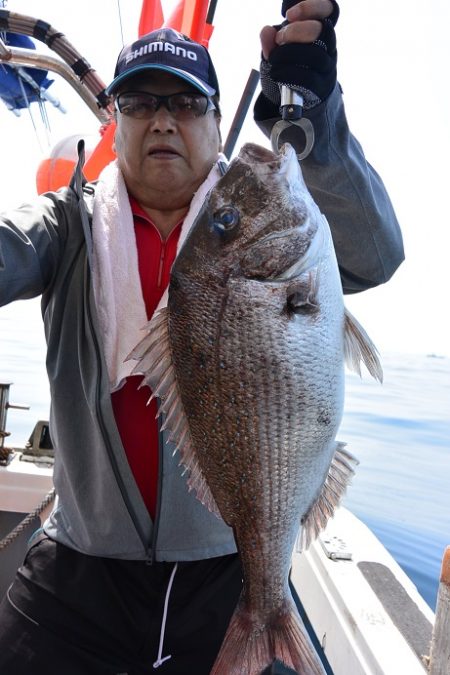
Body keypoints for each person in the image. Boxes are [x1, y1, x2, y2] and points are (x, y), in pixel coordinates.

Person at [0, 2, 404, 674]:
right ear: (116, 123)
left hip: (228, 566)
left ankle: (266, 614)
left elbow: (377, 253)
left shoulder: (275, 227)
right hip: (77, 570)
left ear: (218, 125)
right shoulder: (67, 224)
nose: (162, 119)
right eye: (138, 102)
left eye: (188, 103)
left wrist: (314, 112)